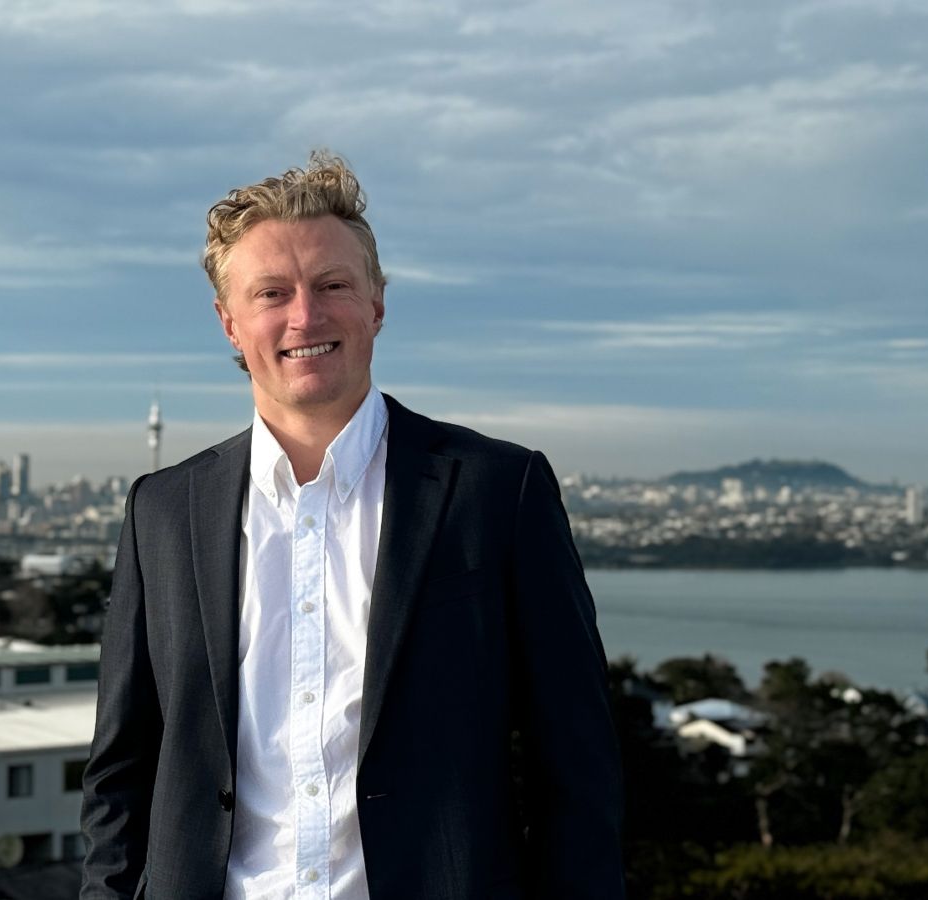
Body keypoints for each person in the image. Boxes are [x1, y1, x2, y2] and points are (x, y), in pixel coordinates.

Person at [80, 152, 624, 900]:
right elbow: (122, 766)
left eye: (333, 285)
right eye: (272, 293)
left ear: (376, 303)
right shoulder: (163, 511)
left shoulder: (498, 489)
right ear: (229, 323)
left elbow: (580, 761)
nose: (306, 315)